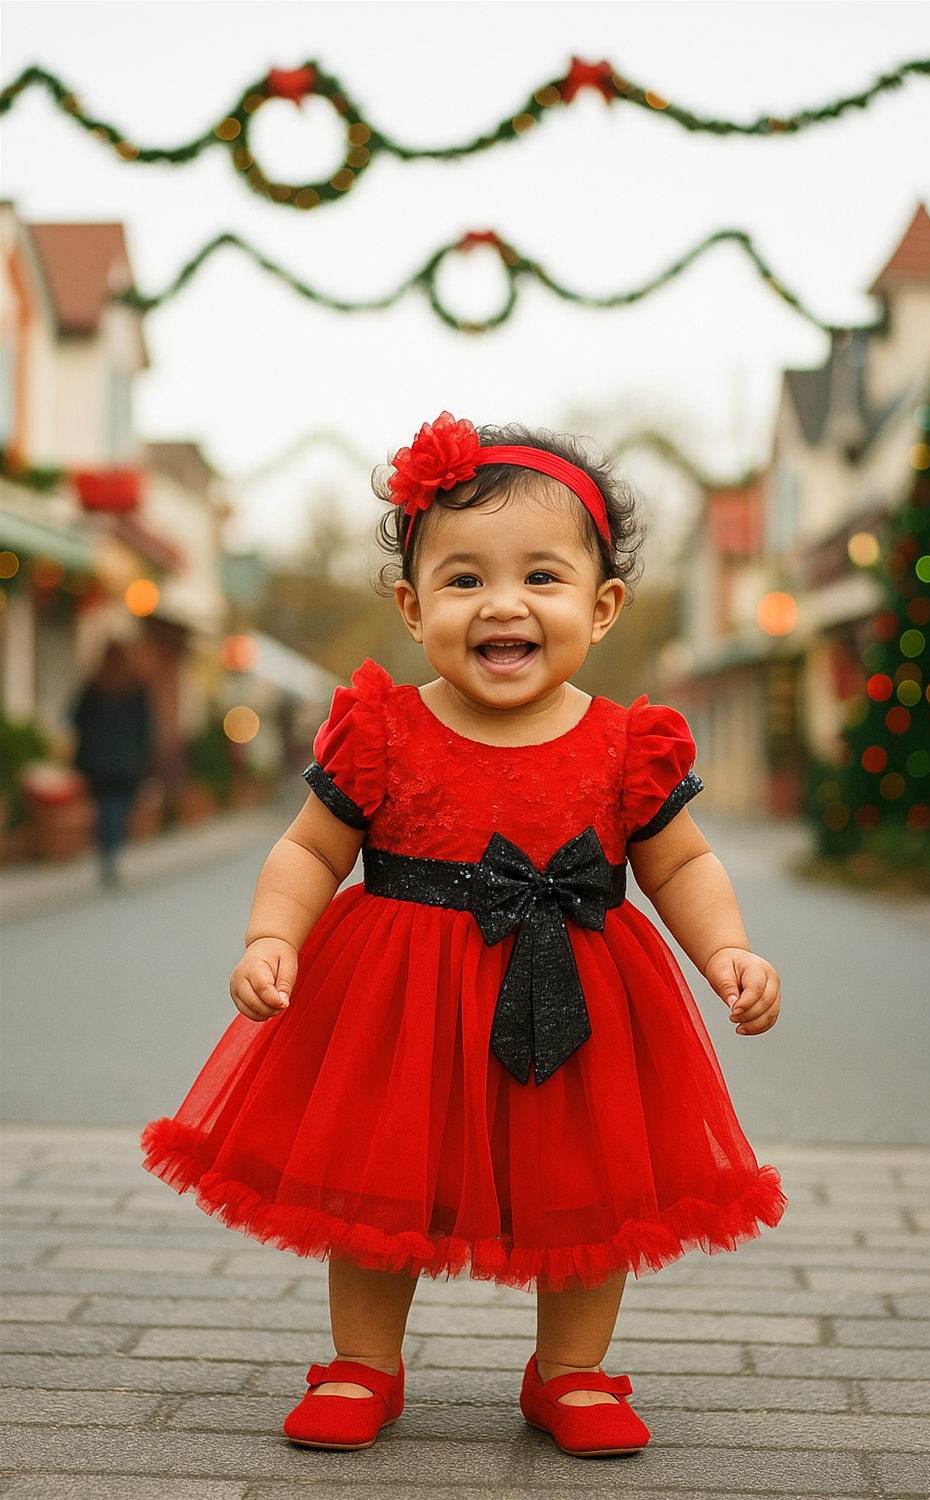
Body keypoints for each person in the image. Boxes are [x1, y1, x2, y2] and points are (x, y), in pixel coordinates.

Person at [142, 414, 784, 1458]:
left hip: (579, 1001)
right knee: (373, 1183)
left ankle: (570, 1374)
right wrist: (273, 936)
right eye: (463, 580)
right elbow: (309, 851)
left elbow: (681, 863)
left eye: (541, 576)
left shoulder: (626, 746)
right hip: (399, 1009)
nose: (503, 604)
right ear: (411, 604)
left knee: (587, 1187)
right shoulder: (383, 731)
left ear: (601, 605)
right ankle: (362, 1363)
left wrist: (726, 951)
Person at [73, 640, 150, 887]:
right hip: (126, 763)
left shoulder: (95, 686)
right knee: (118, 809)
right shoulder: (134, 687)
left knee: (105, 808)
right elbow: (145, 728)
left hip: (100, 763)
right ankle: (111, 853)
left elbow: (76, 718)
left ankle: (107, 854)